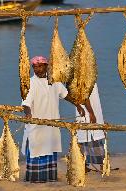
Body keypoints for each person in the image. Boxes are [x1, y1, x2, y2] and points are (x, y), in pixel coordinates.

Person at [21, 55, 85, 183]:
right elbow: (26, 103)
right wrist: (28, 114)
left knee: (50, 149)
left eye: (40, 66)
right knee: (36, 150)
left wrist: (77, 105)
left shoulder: (55, 81)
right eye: (35, 67)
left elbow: (65, 94)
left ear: (46, 66)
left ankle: (50, 177)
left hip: (52, 125)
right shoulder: (30, 83)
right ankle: (35, 178)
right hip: (36, 126)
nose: (37, 69)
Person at [76, 83, 106, 172]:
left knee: (85, 139)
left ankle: (84, 165)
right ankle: (101, 166)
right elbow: (84, 96)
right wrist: (91, 112)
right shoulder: (84, 77)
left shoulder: (88, 76)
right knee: (93, 138)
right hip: (87, 112)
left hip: (89, 111)